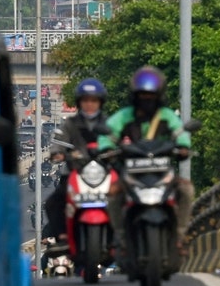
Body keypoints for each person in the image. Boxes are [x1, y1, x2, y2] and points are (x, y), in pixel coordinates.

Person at [100, 66, 193, 258]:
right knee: (112, 194)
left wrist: (183, 146)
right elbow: (108, 134)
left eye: (151, 96)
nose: (147, 100)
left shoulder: (166, 116)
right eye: (143, 96)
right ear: (135, 96)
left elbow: (180, 133)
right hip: (132, 175)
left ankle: (179, 236)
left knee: (186, 190)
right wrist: (107, 148)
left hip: (162, 173)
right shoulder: (124, 116)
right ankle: (122, 239)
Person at [42, 78, 109, 241]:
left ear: (100, 102)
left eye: (94, 100)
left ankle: (124, 237)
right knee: (53, 202)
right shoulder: (70, 124)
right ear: (79, 103)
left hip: (106, 173)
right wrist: (58, 153)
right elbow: (58, 144)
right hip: (75, 172)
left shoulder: (110, 123)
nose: (89, 105)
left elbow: (121, 140)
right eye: (85, 100)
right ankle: (63, 236)